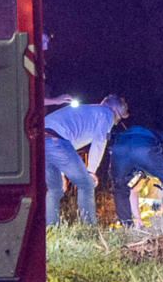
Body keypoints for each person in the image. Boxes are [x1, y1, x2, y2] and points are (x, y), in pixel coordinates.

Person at [43, 94, 129, 226]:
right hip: (57, 140)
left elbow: (57, 140)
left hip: (41, 141)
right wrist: (91, 170)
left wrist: (61, 175)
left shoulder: (87, 112)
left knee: (55, 188)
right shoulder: (105, 113)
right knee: (86, 184)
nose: (116, 122)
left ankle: (50, 230)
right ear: (113, 108)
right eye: (117, 118)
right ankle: (89, 230)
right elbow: (99, 142)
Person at [108, 126, 163, 228]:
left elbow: (134, 191)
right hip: (145, 149)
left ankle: (127, 226)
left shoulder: (141, 168)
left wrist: (137, 218)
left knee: (120, 188)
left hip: (119, 148)